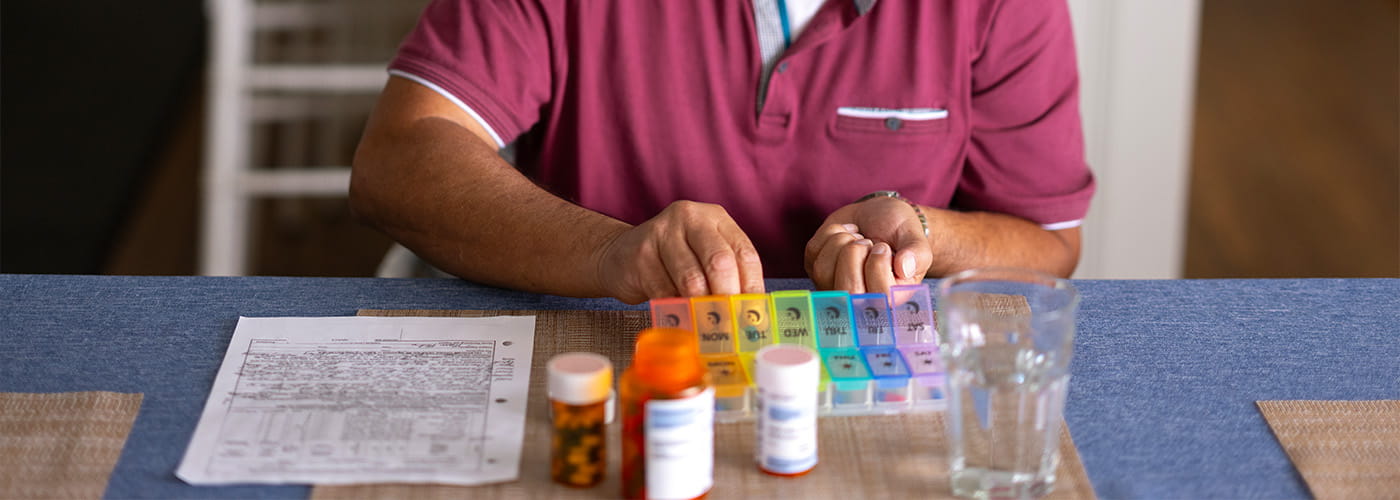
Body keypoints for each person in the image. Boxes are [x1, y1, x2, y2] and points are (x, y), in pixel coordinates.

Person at [350, 0, 1095, 304]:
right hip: (603, 354)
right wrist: (612, 253)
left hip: (863, 383)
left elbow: (1049, 242)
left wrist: (924, 235)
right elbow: (399, 158)